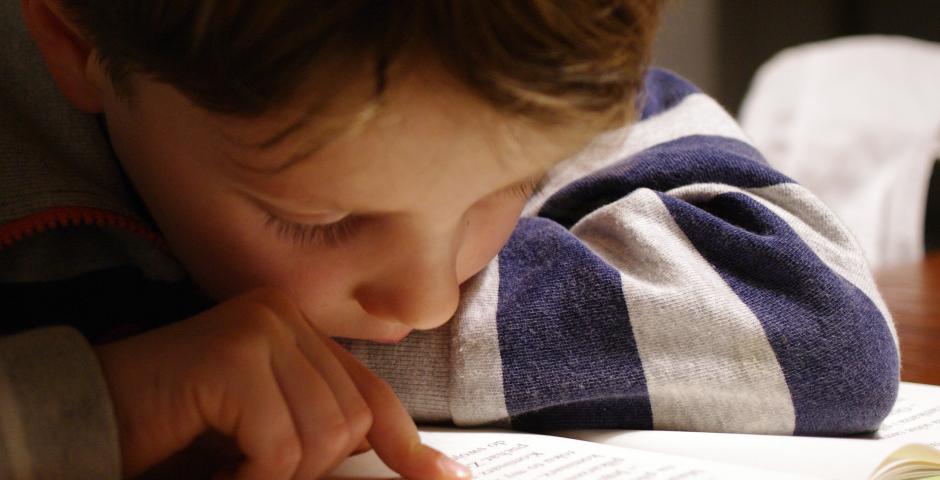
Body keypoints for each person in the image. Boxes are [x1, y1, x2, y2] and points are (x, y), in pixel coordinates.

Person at [0, 1, 899, 479]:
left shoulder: (513, 51)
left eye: (509, 185)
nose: (433, 302)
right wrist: (86, 403)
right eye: (322, 219)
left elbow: (818, 324)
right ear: (75, 38)